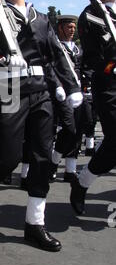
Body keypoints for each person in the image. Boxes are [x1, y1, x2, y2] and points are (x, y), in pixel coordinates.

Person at [0, 0, 82, 251]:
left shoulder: (41, 19)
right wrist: (0, 61)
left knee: (41, 157)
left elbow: (57, 55)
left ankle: (35, 224)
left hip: (40, 90)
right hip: (8, 91)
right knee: (8, 158)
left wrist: (70, 86)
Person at [70, 0, 116, 215]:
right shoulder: (91, 14)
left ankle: (82, 180)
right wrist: (112, 67)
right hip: (109, 87)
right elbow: (90, 58)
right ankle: (83, 181)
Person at [49, 15, 84, 182]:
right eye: (69, 27)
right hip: (60, 94)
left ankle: (70, 170)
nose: (72, 30)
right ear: (60, 28)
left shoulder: (78, 50)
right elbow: (51, 68)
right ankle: (53, 162)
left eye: (73, 27)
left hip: (79, 94)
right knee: (69, 129)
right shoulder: (55, 47)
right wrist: (58, 86)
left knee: (78, 131)